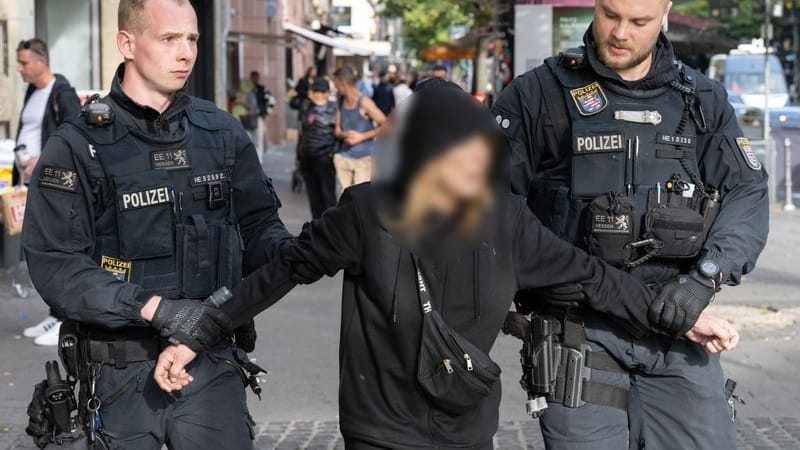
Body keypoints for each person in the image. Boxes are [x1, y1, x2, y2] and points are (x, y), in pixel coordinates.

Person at [153, 81, 738, 449]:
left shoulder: (506, 218)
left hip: (465, 426)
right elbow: (282, 272)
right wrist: (199, 333)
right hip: (380, 428)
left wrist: (682, 319)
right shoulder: (366, 213)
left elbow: (592, 279)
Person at [491, 0, 769, 448]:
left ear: (665, 13)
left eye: (639, 21)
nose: (620, 33)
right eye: (610, 15)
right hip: (577, 329)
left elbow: (748, 191)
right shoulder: (537, 94)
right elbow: (488, 203)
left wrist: (706, 276)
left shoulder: (702, 101)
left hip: (677, 325)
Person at [22, 0, 291, 448]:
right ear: (127, 43)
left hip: (210, 364)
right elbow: (56, 265)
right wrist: (157, 309)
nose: (186, 53)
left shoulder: (221, 133)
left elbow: (261, 228)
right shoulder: (77, 145)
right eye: (170, 39)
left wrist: (296, 253)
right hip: (118, 376)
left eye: (192, 39)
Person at [15, 38, 81, 347]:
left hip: (55, 185)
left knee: (57, 249)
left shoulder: (61, 93)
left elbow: (74, 135)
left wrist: (41, 159)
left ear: (42, 61)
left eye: (25, 63)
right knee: (41, 248)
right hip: (32, 182)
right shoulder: (33, 92)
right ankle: (55, 313)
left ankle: (67, 318)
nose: (20, 69)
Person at [333, 65, 387, 192]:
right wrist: (345, 135)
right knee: (343, 203)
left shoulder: (364, 102)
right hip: (344, 158)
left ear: (342, 83)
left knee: (361, 203)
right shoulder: (340, 101)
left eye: (335, 83)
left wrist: (362, 136)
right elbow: (337, 130)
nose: (334, 86)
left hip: (364, 159)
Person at [297, 78, 339, 219]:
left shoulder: (335, 109)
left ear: (328, 93)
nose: (318, 95)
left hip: (325, 157)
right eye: (315, 91)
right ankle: (318, 230)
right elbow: (294, 100)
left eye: (322, 91)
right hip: (306, 157)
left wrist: (333, 153)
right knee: (314, 198)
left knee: (327, 198)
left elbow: (339, 133)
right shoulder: (306, 106)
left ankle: (332, 231)